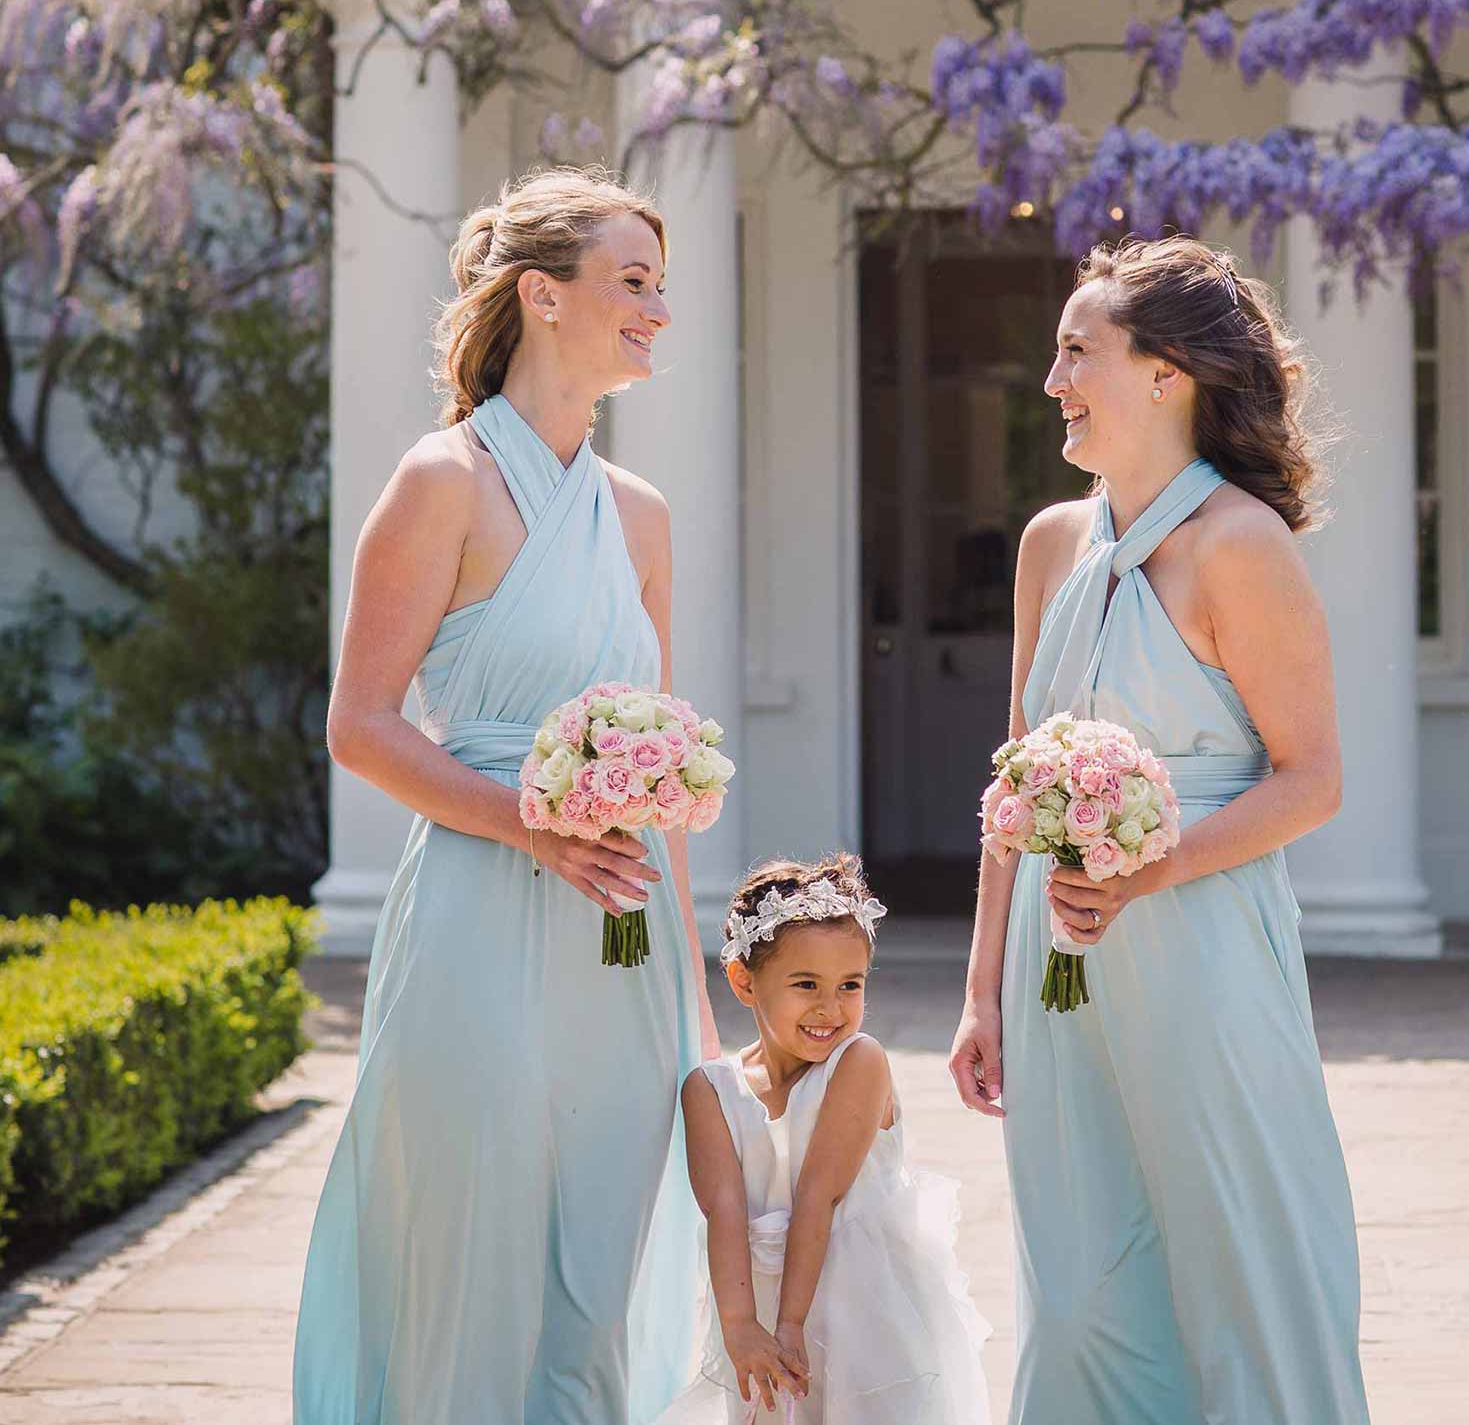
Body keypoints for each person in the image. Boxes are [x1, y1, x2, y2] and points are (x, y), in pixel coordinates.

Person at [293, 165, 719, 1424]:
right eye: (632, 284)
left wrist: (694, 1006)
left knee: (599, 1262)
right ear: (542, 295)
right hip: (478, 909)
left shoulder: (640, 517)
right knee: (468, 1250)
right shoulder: (441, 481)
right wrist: (529, 825)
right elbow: (359, 727)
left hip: (623, 935)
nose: (657, 311)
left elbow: (671, 772)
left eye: (661, 287)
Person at [947, 235, 1371, 1422]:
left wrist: (1153, 868)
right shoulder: (1048, 544)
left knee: (1240, 1265)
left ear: (1167, 374)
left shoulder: (1241, 545)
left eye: (1077, 352)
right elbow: (1014, 790)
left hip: (1203, 954)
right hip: (1055, 966)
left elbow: (1313, 780)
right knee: (1078, 1293)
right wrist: (985, 988)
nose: (1052, 381)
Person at [662, 855, 991, 1424]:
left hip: (860, 1308)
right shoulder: (709, 1089)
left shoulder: (858, 1062)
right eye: (805, 984)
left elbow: (819, 1196)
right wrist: (742, 1328)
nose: (830, 1008)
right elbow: (724, 1211)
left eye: (850, 985)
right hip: (757, 1301)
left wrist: (792, 1326)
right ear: (744, 980)